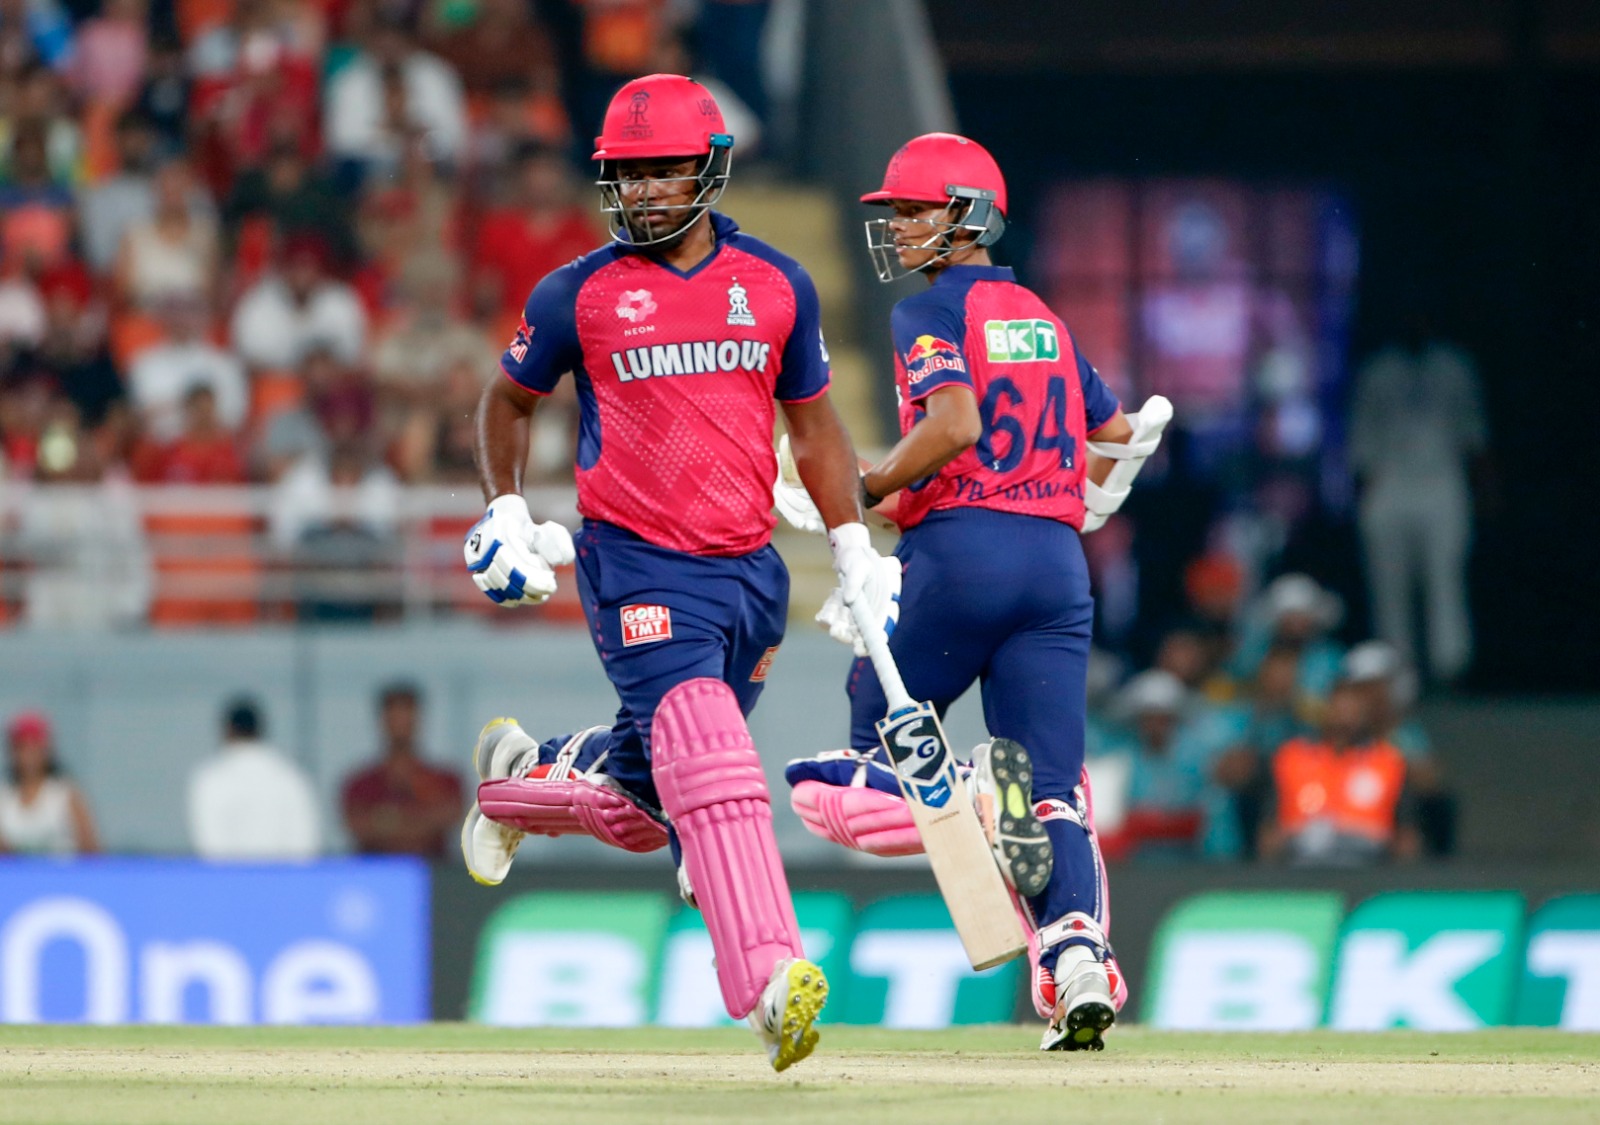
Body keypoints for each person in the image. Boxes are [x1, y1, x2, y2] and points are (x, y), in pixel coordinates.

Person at [455, 75, 893, 1071]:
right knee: (713, 759)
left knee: (648, 804)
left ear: (709, 170)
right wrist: (505, 507)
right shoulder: (576, 293)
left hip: (750, 573)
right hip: (635, 564)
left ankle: (515, 782)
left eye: (664, 170)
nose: (645, 191)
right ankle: (770, 980)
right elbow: (507, 400)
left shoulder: (777, 284)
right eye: (629, 173)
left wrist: (852, 544)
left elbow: (814, 425)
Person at [777, 134, 1167, 1052]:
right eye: (896, 213)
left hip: (961, 557)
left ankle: (977, 793)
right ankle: (1078, 962)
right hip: (1057, 568)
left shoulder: (928, 312)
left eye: (915, 210)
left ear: (970, 216)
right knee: (1057, 790)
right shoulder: (1045, 317)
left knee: (846, 771)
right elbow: (1114, 434)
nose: (898, 227)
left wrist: (866, 489)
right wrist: (1077, 490)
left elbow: (956, 424)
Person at [1350, 319, 1489, 685]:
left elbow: (1473, 433)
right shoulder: (1378, 370)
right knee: (1388, 583)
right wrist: (1364, 495)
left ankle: (1449, 668)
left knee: (1446, 578)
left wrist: (1483, 488)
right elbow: (1362, 437)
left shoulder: (1454, 366)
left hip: (1442, 483)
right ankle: (1396, 671)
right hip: (1389, 484)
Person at [1259, 680, 1421, 866]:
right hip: (1301, 857)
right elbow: (1269, 830)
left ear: (1365, 715)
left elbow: (1407, 832)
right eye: (1339, 709)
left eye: (1352, 710)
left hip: (1369, 860)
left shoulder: (1388, 761)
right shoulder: (1292, 756)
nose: (1344, 718)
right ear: (1326, 710)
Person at [187, 698, 321, 860]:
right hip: (282, 874)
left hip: (229, 874)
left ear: (228, 730)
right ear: (260, 730)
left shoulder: (210, 779)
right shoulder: (291, 776)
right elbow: (305, 842)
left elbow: (209, 844)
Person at [342, 683, 462, 857]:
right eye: (394, 716)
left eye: (406, 715)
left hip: (430, 869)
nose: (400, 723)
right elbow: (359, 825)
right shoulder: (360, 785)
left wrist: (384, 820)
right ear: (382, 720)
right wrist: (419, 818)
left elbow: (447, 818)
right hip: (377, 871)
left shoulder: (445, 781)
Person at [0, 710, 100, 855]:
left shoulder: (64, 794)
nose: (28, 756)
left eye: (34, 747)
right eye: (22, 747)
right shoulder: (4, 797)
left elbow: (92, 850)